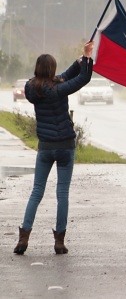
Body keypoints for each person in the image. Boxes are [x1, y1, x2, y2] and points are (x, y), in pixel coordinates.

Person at [13, 41, 94, 255]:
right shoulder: (57, 90)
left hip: (45, 148)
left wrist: (80, 60)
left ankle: (24, 237)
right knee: (62, 194)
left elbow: (67, 75)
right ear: (51, 70)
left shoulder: (32, 88)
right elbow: (82, 78)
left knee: (36, 192)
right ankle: (59, 242)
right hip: (65, 146)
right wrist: (87, 58)